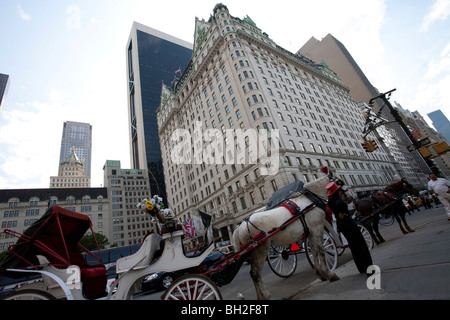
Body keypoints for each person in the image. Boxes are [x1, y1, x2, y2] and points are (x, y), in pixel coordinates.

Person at [326, 181, 373, 274]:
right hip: (348, 222)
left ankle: (361, 268)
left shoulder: (330, 202)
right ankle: (369, 268)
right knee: (360, 244)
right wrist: (343, 212)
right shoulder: (339, 200)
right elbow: (347, 203)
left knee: (353, 246)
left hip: (341, 224)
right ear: (337, 191)